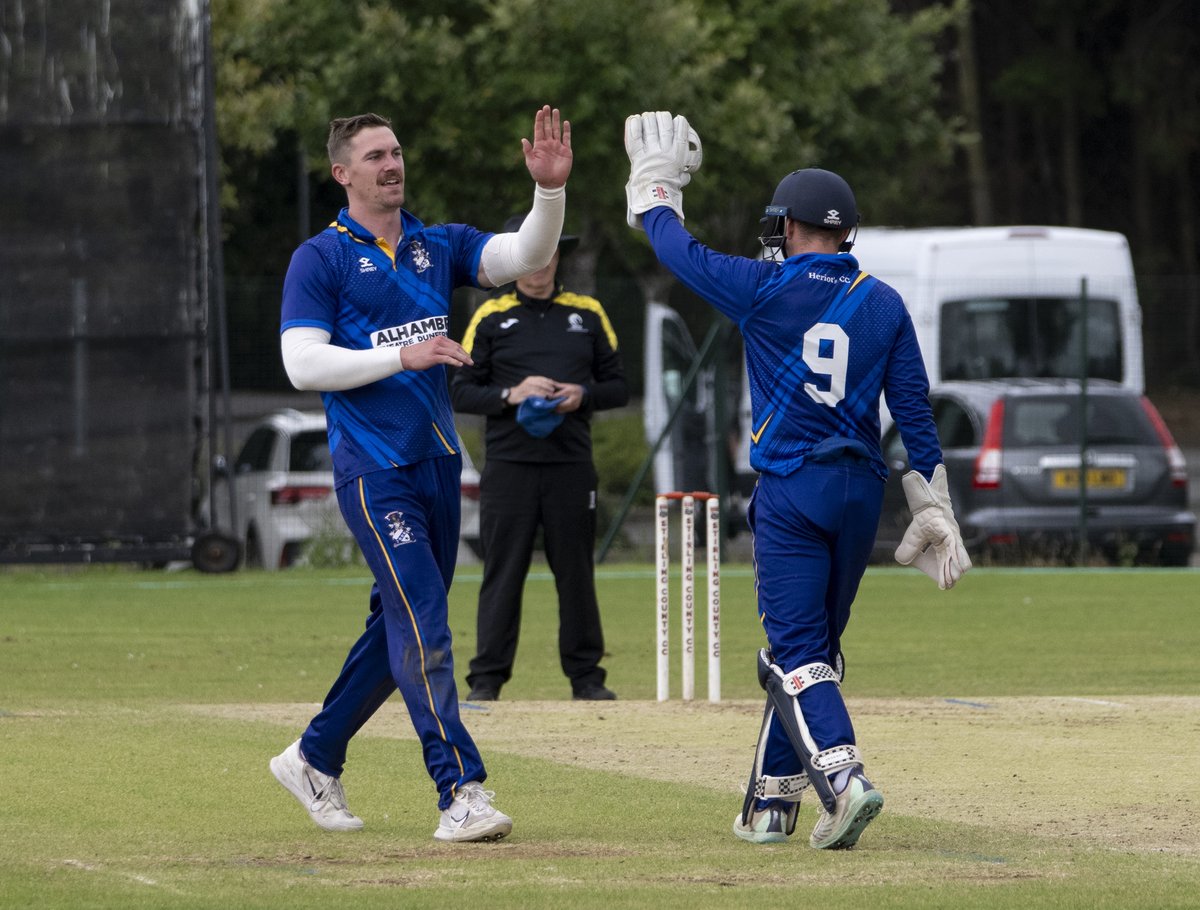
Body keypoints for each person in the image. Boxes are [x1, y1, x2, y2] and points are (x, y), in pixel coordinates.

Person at [623, 111, 970, 850]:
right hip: (859, 495)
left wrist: (654, 194)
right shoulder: (884, 301)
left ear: (792, 227)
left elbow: (681, 254)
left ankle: (843, 783)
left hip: (791, 485)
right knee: (808, 651)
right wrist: (934, 505)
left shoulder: (765, 287)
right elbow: (914, 412)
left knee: (796, 653)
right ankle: (769, 804)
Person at [269, 105, 573, 843]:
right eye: (374, 155)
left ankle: (312, 757)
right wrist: (399, 356)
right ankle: (460, 790)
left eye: (397, 151)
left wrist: (549, 191)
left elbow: (524, 256)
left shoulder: (436, 245)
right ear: (343, 173)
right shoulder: (323, 257)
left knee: (398, 625)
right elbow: (301, 363)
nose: (392, 164)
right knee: (424, 619)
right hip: (375, 471)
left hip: (437, 463)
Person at [450, 214, 629, 702]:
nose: (539, 265)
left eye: (547, 253)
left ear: (558, 257)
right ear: (512, 261)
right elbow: (461, 391)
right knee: (502, 572)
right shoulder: (490, 316)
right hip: (510, 467)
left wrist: (581, 394)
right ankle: (486, 681)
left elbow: (618, 387)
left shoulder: (587, 312)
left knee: (576, 573)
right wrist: (512, 393)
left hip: (571, 465)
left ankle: (587, 679)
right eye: (529, 255)